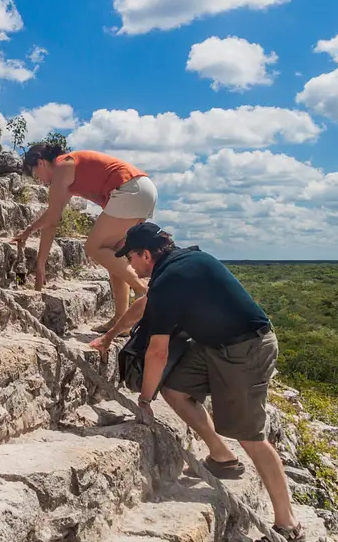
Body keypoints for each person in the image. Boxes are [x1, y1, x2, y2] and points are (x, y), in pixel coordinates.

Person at [91, 222, 304, 542]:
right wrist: (110, 336)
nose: (129, 264)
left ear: (146, 255)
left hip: (246, 349)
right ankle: (222, 457)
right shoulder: (184, 263)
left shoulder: (170, 277)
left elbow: (158, 353)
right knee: (175, 386)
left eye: (130, 257)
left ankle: (288, 526)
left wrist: (145, 401)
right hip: (218, 346)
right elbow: (144, 305)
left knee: (251, 437)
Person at [13, 144, 157, 331]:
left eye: (35, 174)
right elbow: (52, 215)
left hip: (130, 189)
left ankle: (142, 289)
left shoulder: (62, 166)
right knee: (113, 253)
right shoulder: (65, 174)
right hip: (142, 189)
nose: (39, 181)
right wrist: (28, 232)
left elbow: (52, 223)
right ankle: (121, 322)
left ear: (41, 163)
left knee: (93, 247)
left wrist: (41, 264)